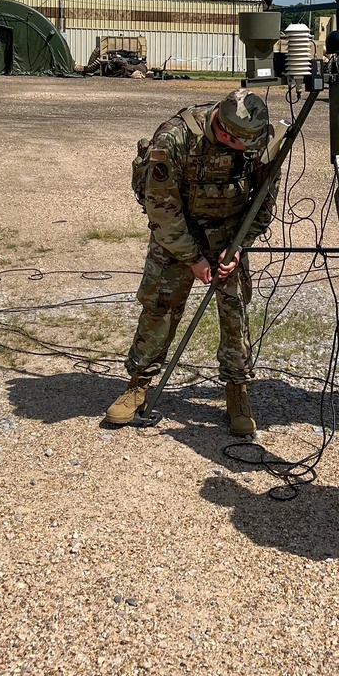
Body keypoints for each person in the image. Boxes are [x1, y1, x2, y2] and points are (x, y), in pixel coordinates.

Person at [105, 89, 281, 433]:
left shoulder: (257, 139)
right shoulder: (174, 137)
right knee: (160, 306)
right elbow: (161, 209)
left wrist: (239, 246)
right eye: (238, 145)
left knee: (235, 312)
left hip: (229, 237)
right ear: (225, 131)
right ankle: (138, 385)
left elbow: (263, 202)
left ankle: (237, 389)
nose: (246, 152)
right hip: (178, 233)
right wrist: (193, 259)